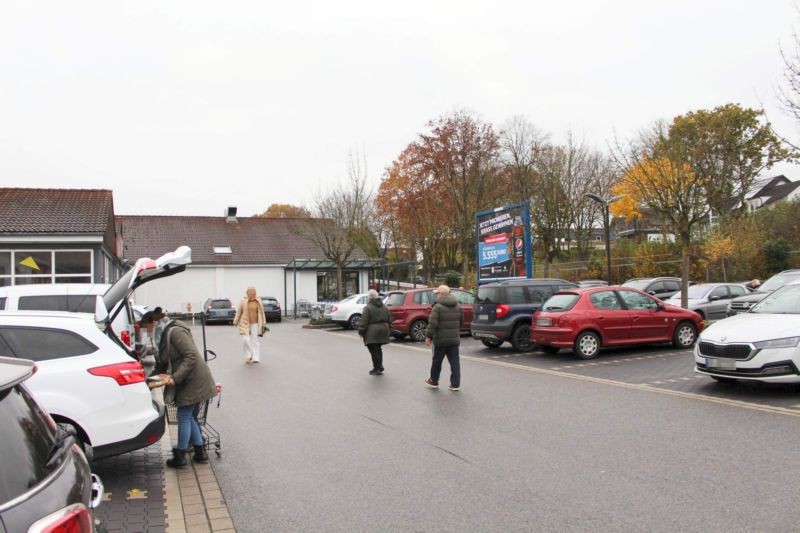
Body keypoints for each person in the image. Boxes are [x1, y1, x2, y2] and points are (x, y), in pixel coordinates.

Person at [151, 318, 218, 468]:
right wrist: (147, 382)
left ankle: (180, 456)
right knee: (189, 416)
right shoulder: (162, 337)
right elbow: (161, 364)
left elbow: (191, 356)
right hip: (189, 380)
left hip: (193, 380)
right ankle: (200, 452)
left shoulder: (175, 332)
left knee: (184, 416)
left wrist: (175, 378)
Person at [424, 285, 463, 391]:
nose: (436, 295)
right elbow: (461, 322)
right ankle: (455, 384)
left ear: (441, 294)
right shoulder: (458, 305)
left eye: (437, 293)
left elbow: (433, 324)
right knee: (455, 362)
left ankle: (434, 380)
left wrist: (428, 336)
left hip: (440, 340)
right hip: (454, 340)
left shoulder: (437, 307)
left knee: (437, 361)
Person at [357, 289, 391, 375]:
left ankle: (377, 368)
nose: (368, 298)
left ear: (371, 297)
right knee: (378, 348)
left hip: (373, 332)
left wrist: (361, 332)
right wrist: (389, 328)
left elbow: (363, 321)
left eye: (368, 296)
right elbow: (389, 319)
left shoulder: (368, 308)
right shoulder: (384, 307)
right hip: (384, 329)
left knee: (373, 349)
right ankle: (380, 366)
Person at [233, 287, 267, 364]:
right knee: (245, 340)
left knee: (255, 340)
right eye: (250, 293)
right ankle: (248, 356)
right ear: (247, 293)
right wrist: (236, 321)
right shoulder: (243, 301)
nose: (252, 294)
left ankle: (255, 358)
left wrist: (264, 323)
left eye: (254, 293)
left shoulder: (258, 301)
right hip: (245, 323)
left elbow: (262, 313)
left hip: (255, 323)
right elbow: (239, 312)